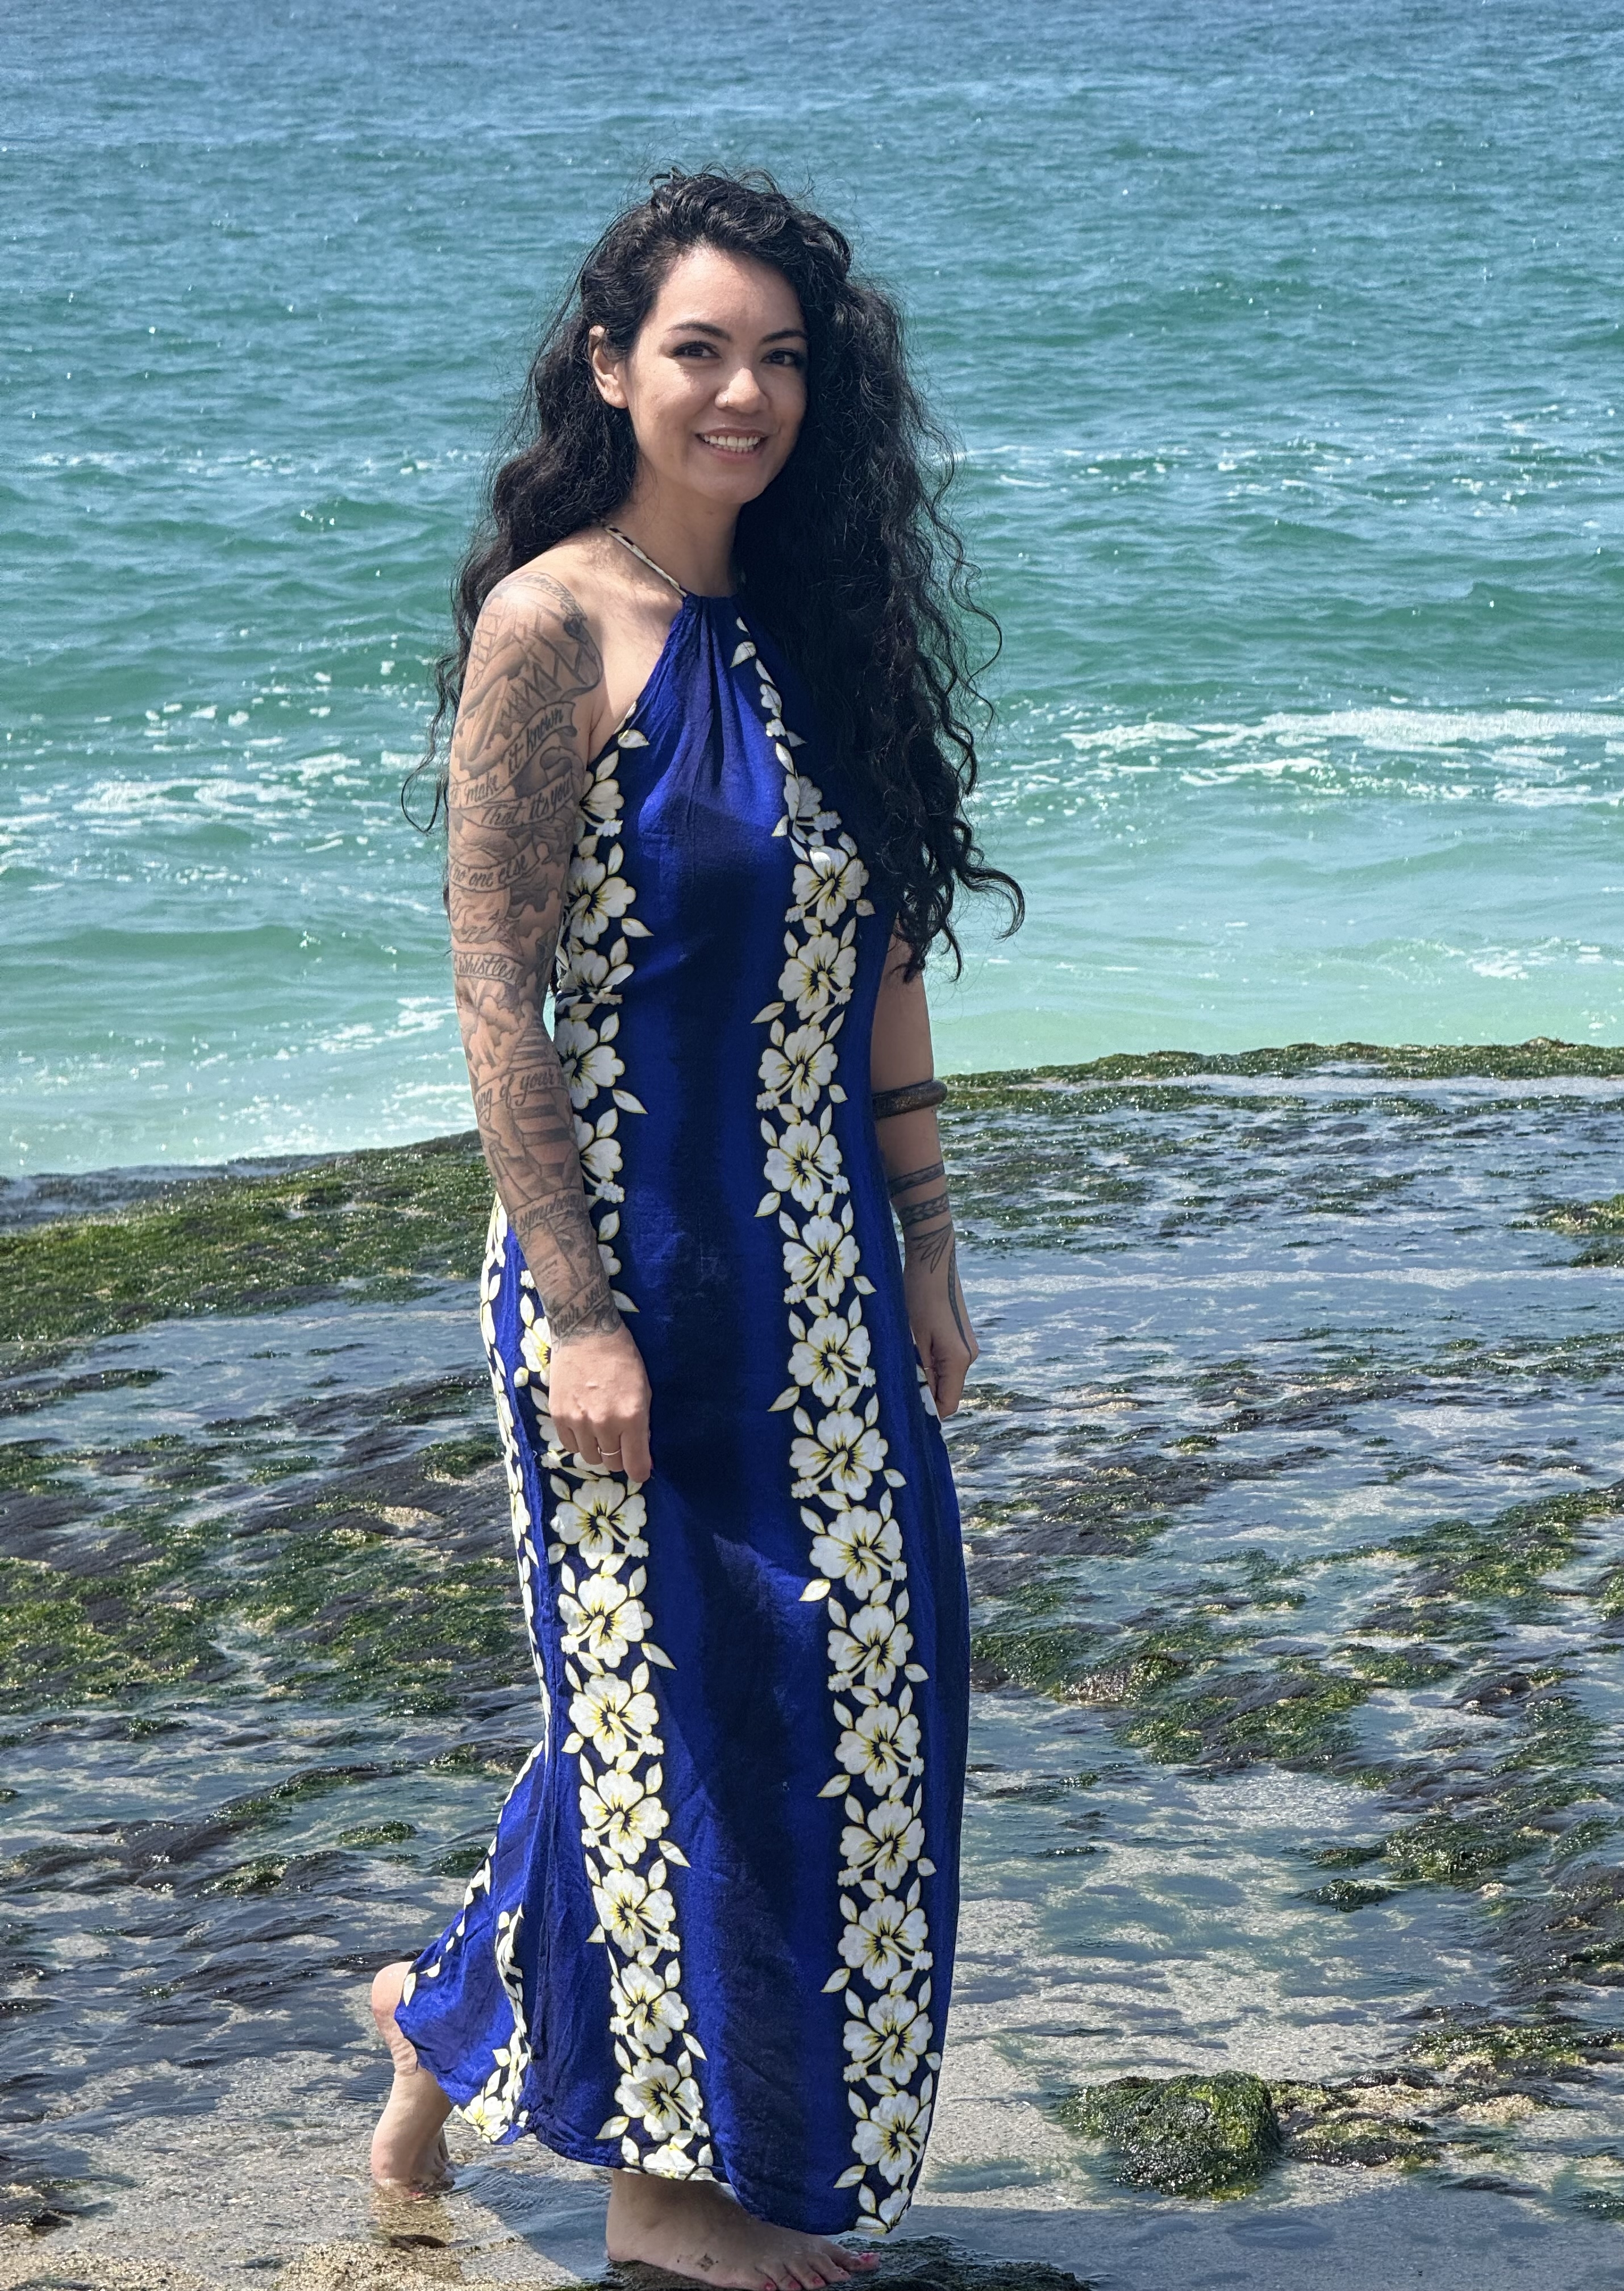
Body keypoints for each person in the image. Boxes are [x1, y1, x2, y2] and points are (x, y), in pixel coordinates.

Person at [370, 169, 1022, 2291]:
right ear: (611, 369)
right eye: (700, 351)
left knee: (839, 1688)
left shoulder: (824, 633)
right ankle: (670, 2195)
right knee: (673, 1717)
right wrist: (581, 1315)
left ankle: (441, 2019)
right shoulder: (551, 627)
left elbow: (888, 962)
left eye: (783, 360)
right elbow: (497, 986)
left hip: (826, 1278)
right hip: (631, 1279)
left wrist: (928, 1239)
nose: (746, 394)